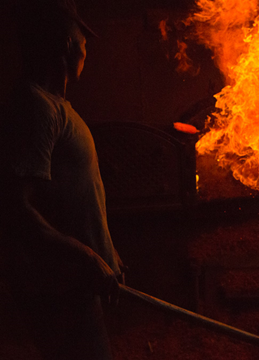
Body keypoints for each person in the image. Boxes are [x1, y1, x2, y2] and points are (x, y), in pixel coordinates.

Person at [0, 1, 123, 359]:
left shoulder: (54, 106)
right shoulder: (35, 107)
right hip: (57, 289)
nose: (88, 49)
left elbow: (76, 196)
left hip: (76, 285)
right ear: (69, 45)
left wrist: (107, 252)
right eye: (84, 40)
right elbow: (16, 209)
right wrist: (87, 258)